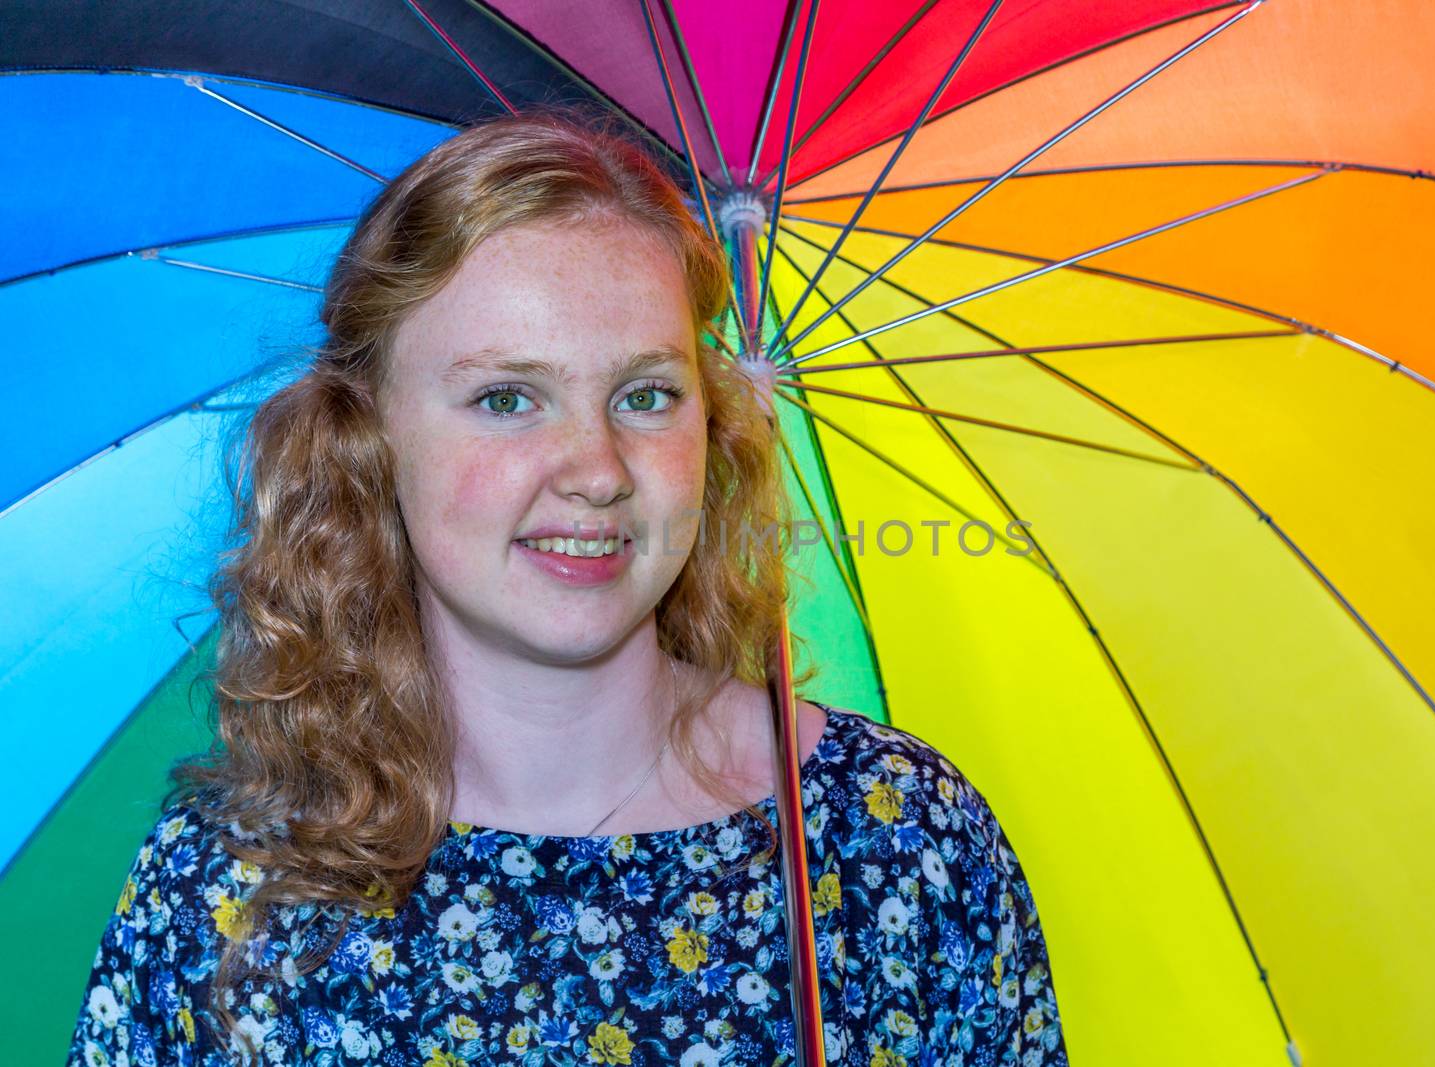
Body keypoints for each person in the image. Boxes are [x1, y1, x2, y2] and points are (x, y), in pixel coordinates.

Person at [63, 110, 1069, 1067]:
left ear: (711, 425)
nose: (596, 466)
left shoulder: (897, 839)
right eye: (508, 398)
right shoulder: (233, 887)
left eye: (645, 394)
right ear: (368, 437)